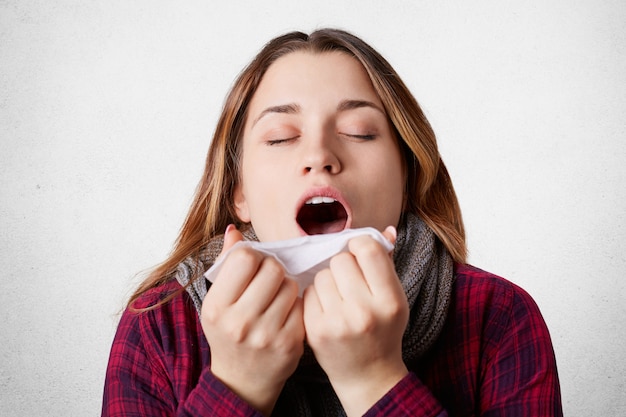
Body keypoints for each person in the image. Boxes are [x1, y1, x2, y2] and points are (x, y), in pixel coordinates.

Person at [102, 29, 562, 416]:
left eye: (359, 132)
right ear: (238, 194)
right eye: (281, 138)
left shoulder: (497, 316)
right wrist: (237, 384)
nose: (319, 155)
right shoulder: (159, 325)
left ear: (407, 179)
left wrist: (373, 379)